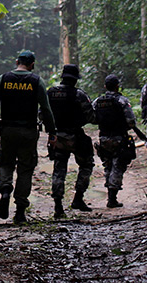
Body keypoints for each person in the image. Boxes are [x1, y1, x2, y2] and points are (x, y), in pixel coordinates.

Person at [0, 50, 57, 224]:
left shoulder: (3, 79)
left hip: (7, 131)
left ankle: (5, 188)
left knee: (6, 162)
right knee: (25, 168)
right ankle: (20, 211)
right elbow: (46, 109)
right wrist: (52, 131)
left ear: (17, 61)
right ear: (32, 65)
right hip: (28, 132)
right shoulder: (36, 81)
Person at [46, 64, 96, 218]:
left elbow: (42, 114)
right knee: (87, 164)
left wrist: (51, 130)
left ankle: (58, 206)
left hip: (57, 137)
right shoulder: (79, 95)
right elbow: (91, 117)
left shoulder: (50, 93)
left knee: (59, 169)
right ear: (75, 80)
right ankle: (78, 198)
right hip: (75, 135)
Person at [92, 74, 146, 208]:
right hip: (119, 137)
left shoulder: (97, 101)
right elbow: (131, 121)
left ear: (105, 86)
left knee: (108, 166)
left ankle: (111, 195)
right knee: (118, 166)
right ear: (117, 86)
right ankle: (112, 198)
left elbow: (92, 118)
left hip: (103, 138)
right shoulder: (122, 100)